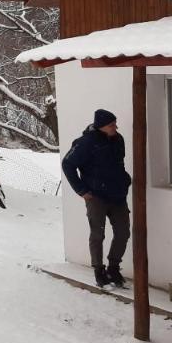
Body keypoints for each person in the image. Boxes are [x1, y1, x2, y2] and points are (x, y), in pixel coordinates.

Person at [62, 108, 131, 289]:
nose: (115, 126)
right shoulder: (85, 143)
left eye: (114, 123)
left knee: (123, 232)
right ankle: (99, 270)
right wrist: (81, 190)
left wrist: (125, 180)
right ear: (101, 126)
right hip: (96, 196)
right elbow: (68, 164)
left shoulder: (118, 139)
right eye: (111, 124)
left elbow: (119, 163)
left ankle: (114, 267)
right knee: (98, 234)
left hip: (118, 195)